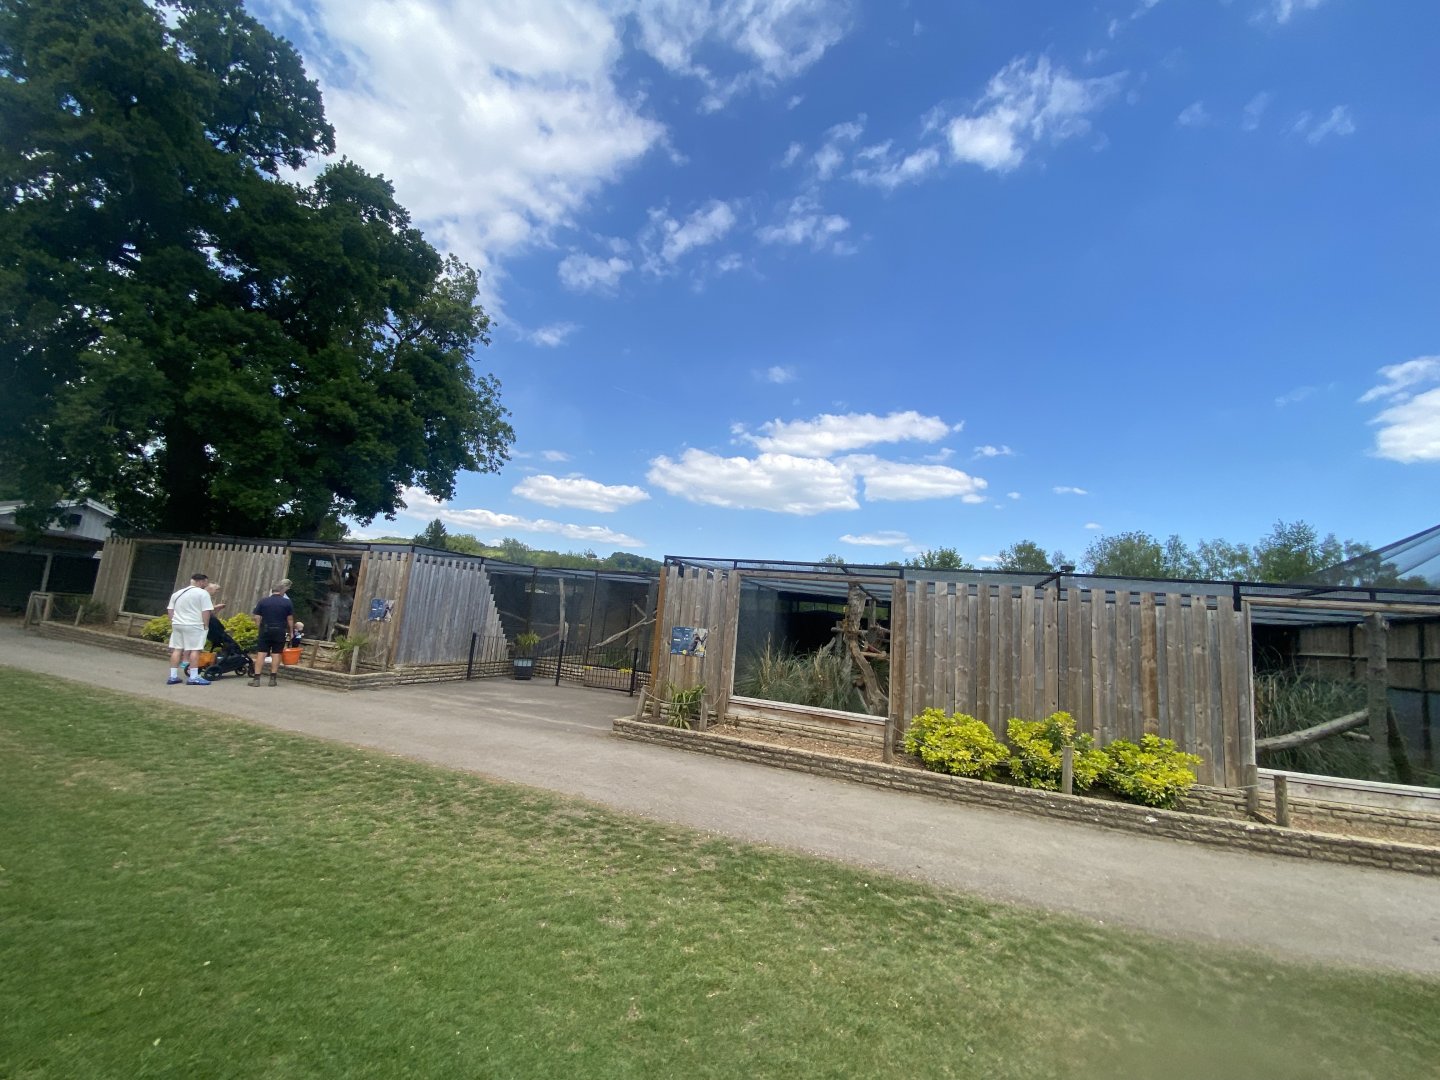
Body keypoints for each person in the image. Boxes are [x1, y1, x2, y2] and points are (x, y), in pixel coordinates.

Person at [166, 573, 214, 685]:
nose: (205, 585)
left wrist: (174, 621)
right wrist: (205, 625)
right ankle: (193, 676)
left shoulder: (177, 593)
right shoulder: (203, 594)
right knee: (195, 650)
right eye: (205, 583)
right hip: (194, 624)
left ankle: (173, 676)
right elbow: (206, 611)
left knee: (177, 649)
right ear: (200, 582)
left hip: (178, 624)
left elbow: (170, 610)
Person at [250, 578, 295, 687]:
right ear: (281, 591)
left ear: (272, 591)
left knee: (261, 653)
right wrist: (291, 632)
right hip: (279, 630)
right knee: (276, 654)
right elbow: (290, 619)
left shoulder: (263, 601)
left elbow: (257, 616)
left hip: (265, 629)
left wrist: (258, 627)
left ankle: (256, 679)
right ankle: (273, 678)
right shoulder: (287, 602)